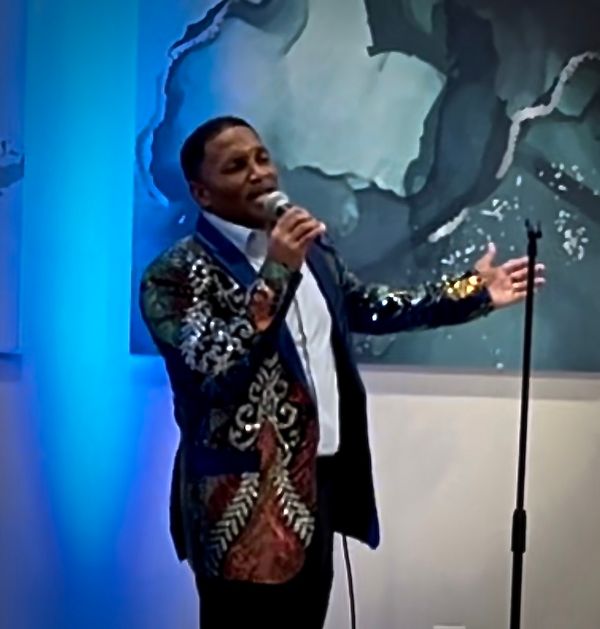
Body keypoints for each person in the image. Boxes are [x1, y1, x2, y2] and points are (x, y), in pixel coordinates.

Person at [140, 116, 544, 629]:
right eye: (236, 166)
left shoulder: (312, 253)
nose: (260, 173)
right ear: (202, 192)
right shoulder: (174, 275)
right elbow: (215, 368)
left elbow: (369, 307)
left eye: (262, 158)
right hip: (239, 506)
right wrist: (278, 270)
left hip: (319, 485)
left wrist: (470, 292)